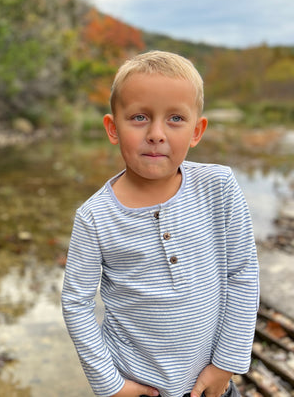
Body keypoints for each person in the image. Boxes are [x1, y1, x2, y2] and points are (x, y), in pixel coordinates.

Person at [61, 51, 259, 397]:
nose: (156, 133)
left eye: (175, 119)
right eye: (139, 117)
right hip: (138, 385)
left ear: (197, 131)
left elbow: (241, 272)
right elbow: (76, 303)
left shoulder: (219, 187)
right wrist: (111, 384)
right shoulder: (94, 217)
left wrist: (227, 363)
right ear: (113, 128)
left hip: (211, 382)